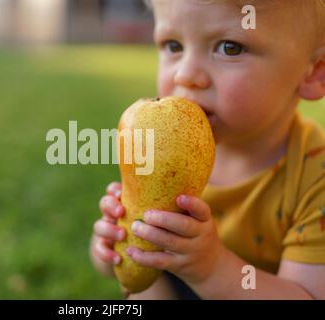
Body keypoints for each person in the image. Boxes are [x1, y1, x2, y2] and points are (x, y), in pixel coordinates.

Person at [89, 0, 325, 299]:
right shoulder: (165, 150)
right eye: (173, 45)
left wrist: (212, 269)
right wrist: (112, 246)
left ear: (314, 72)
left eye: (230, 47)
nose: (185, 75)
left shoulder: (316, 178)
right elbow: (130, 268)